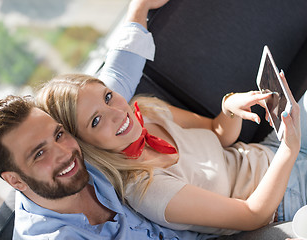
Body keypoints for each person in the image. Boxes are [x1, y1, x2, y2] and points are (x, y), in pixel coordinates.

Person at [0, 0, 210, 239]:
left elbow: (116, 78)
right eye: (39, 154)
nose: (64, 152)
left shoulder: (86, 140)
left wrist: (139, 8)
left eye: (59, 134)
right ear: (15, 181)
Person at [37, 60, 306, 236]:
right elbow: (252, 216)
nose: (117, 114)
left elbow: (217, 133)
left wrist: (230, 108)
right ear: (86, 145)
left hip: (271, 152)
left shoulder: (148, 110)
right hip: (280, 202)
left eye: (108, 97)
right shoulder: (146, 189)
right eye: (96, 121)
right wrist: (290, 150)